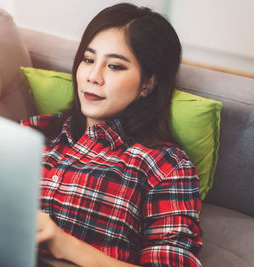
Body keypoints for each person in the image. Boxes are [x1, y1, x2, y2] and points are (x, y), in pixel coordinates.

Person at [21, 3, 202, 266]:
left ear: (148, 84)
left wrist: (64, 244)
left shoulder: (166, 166)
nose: (93, 77)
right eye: (88, 59)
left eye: (115, 66)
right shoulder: (35, 130)